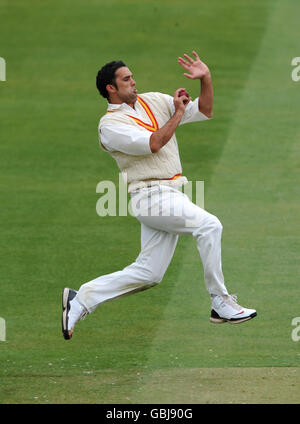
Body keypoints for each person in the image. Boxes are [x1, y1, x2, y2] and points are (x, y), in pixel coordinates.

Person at [61, 51, 257, 340]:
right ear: (110, 89)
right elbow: (154, 142)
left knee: (149, 273)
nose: (134, 82)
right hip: (150, 196)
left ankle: (81, 299)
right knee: (209, 225)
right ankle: (220, 302)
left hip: (172, 193)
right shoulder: (110, 126)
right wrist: (177, 112)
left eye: (132, 77)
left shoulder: (153, 100)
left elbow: (204, 110)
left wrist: (206, 79)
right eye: (126, 80)